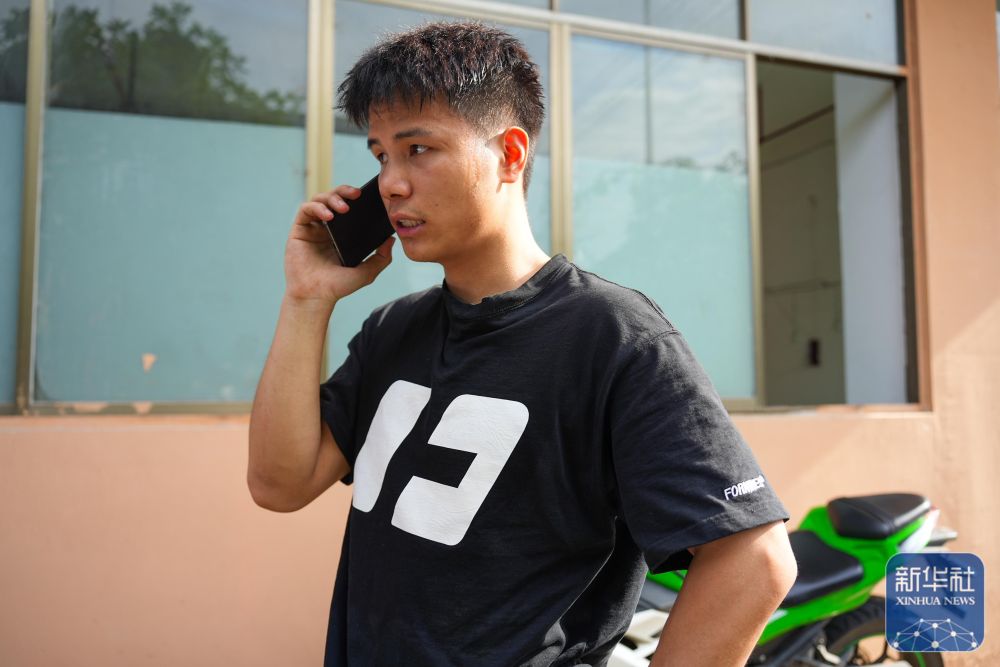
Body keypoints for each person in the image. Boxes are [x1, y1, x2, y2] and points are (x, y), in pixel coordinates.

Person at [248, 21, 796, 667]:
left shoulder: (612, 336)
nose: (391, 182)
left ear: (510, 154)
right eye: (380, 157)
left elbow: (754, 561)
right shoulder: (392, 329)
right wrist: (306, 300)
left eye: (418, 148)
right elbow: (279, 484)